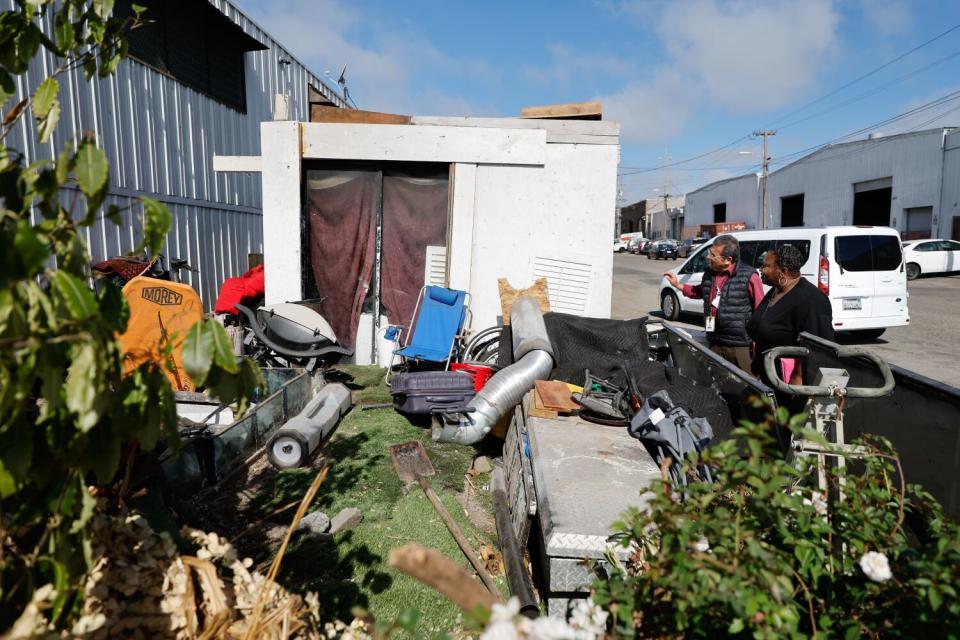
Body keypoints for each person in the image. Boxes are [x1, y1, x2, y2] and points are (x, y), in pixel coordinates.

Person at [663, 235, 764, 371]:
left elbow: (761, 311)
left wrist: (757, 341)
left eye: (713, 255)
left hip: (740, 345)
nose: (708, 257)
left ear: (728, 260)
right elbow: (700, 291)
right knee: (718, 382)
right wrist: (678, 285)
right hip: (715, 341)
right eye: (710, 253)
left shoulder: (749, 276)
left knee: (747, 386)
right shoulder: (710, 273)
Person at [747, 244, 834, 388]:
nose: (761, 270)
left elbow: (818, 347)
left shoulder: (811, 300)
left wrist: (797, 378)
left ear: (783, 271)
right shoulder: (776, 291)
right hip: (768, 375)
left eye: (766, 266)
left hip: (789, 384)